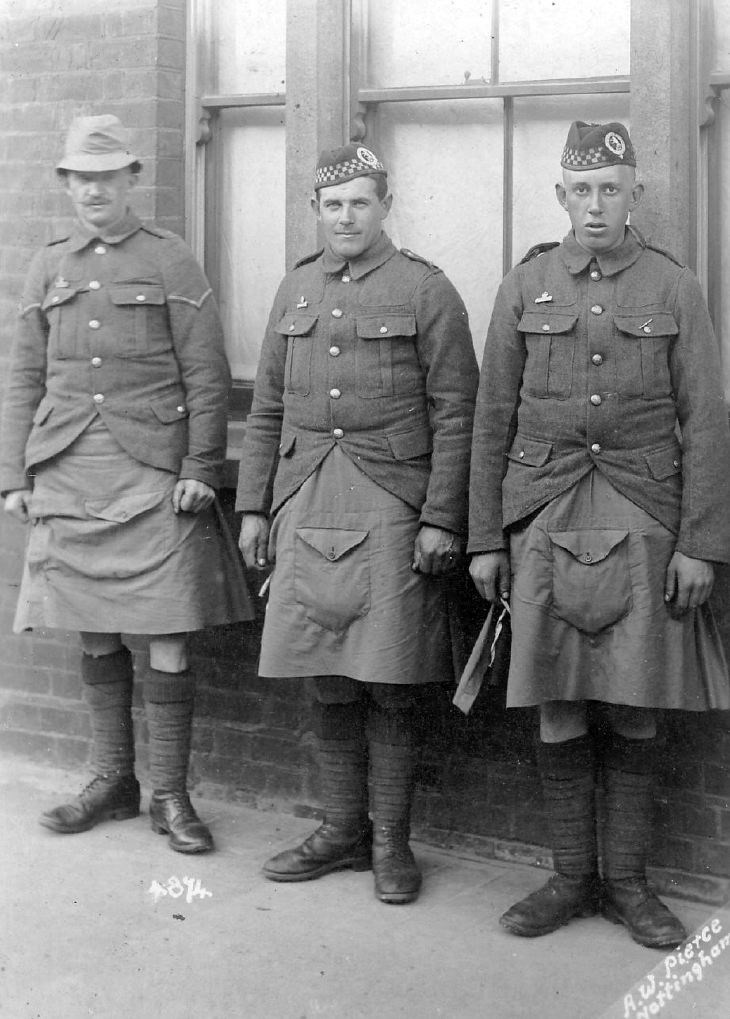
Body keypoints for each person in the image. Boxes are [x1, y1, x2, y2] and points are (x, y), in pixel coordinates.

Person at [468, 120, 730, 949]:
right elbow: (491, 415)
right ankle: (570, 876)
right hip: (544, 513)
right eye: (580, 190)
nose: (594, 205)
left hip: (645, 517)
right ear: (560, 195)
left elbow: (707, 419)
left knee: (635, 703)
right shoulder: (526, 285)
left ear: (633, 195)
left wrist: (700, 542)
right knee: (558, 699)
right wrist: (485, 537)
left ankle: (628, 884)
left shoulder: (674, 287)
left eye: (610, 189)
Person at [0, 115, 253, 854]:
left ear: (131, 179)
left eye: (106, 177)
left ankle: (170, 795)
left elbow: (206, 373)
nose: (93, 190)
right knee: (94, 628)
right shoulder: (48, 266)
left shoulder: (169, 260)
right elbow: (23, 376)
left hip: (153, 474)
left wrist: (201, 466)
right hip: (70, 468)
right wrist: (12, 474)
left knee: (167, 633)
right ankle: (113, 779)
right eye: (81, 178)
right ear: (66, 183)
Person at [236, 143, 479, 904]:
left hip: (393, 503)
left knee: (391, 680)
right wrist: (254, 505)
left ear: (386, 206)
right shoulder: (295, 287)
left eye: (360, 203)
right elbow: (267, 407)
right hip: (306, 497)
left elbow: (457, 412)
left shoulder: (426, 289)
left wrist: (442, 517)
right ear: (317, 209)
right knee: (327, 675)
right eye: (333, 205)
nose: (345, 218)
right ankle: (341, 828)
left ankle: (389, 843)